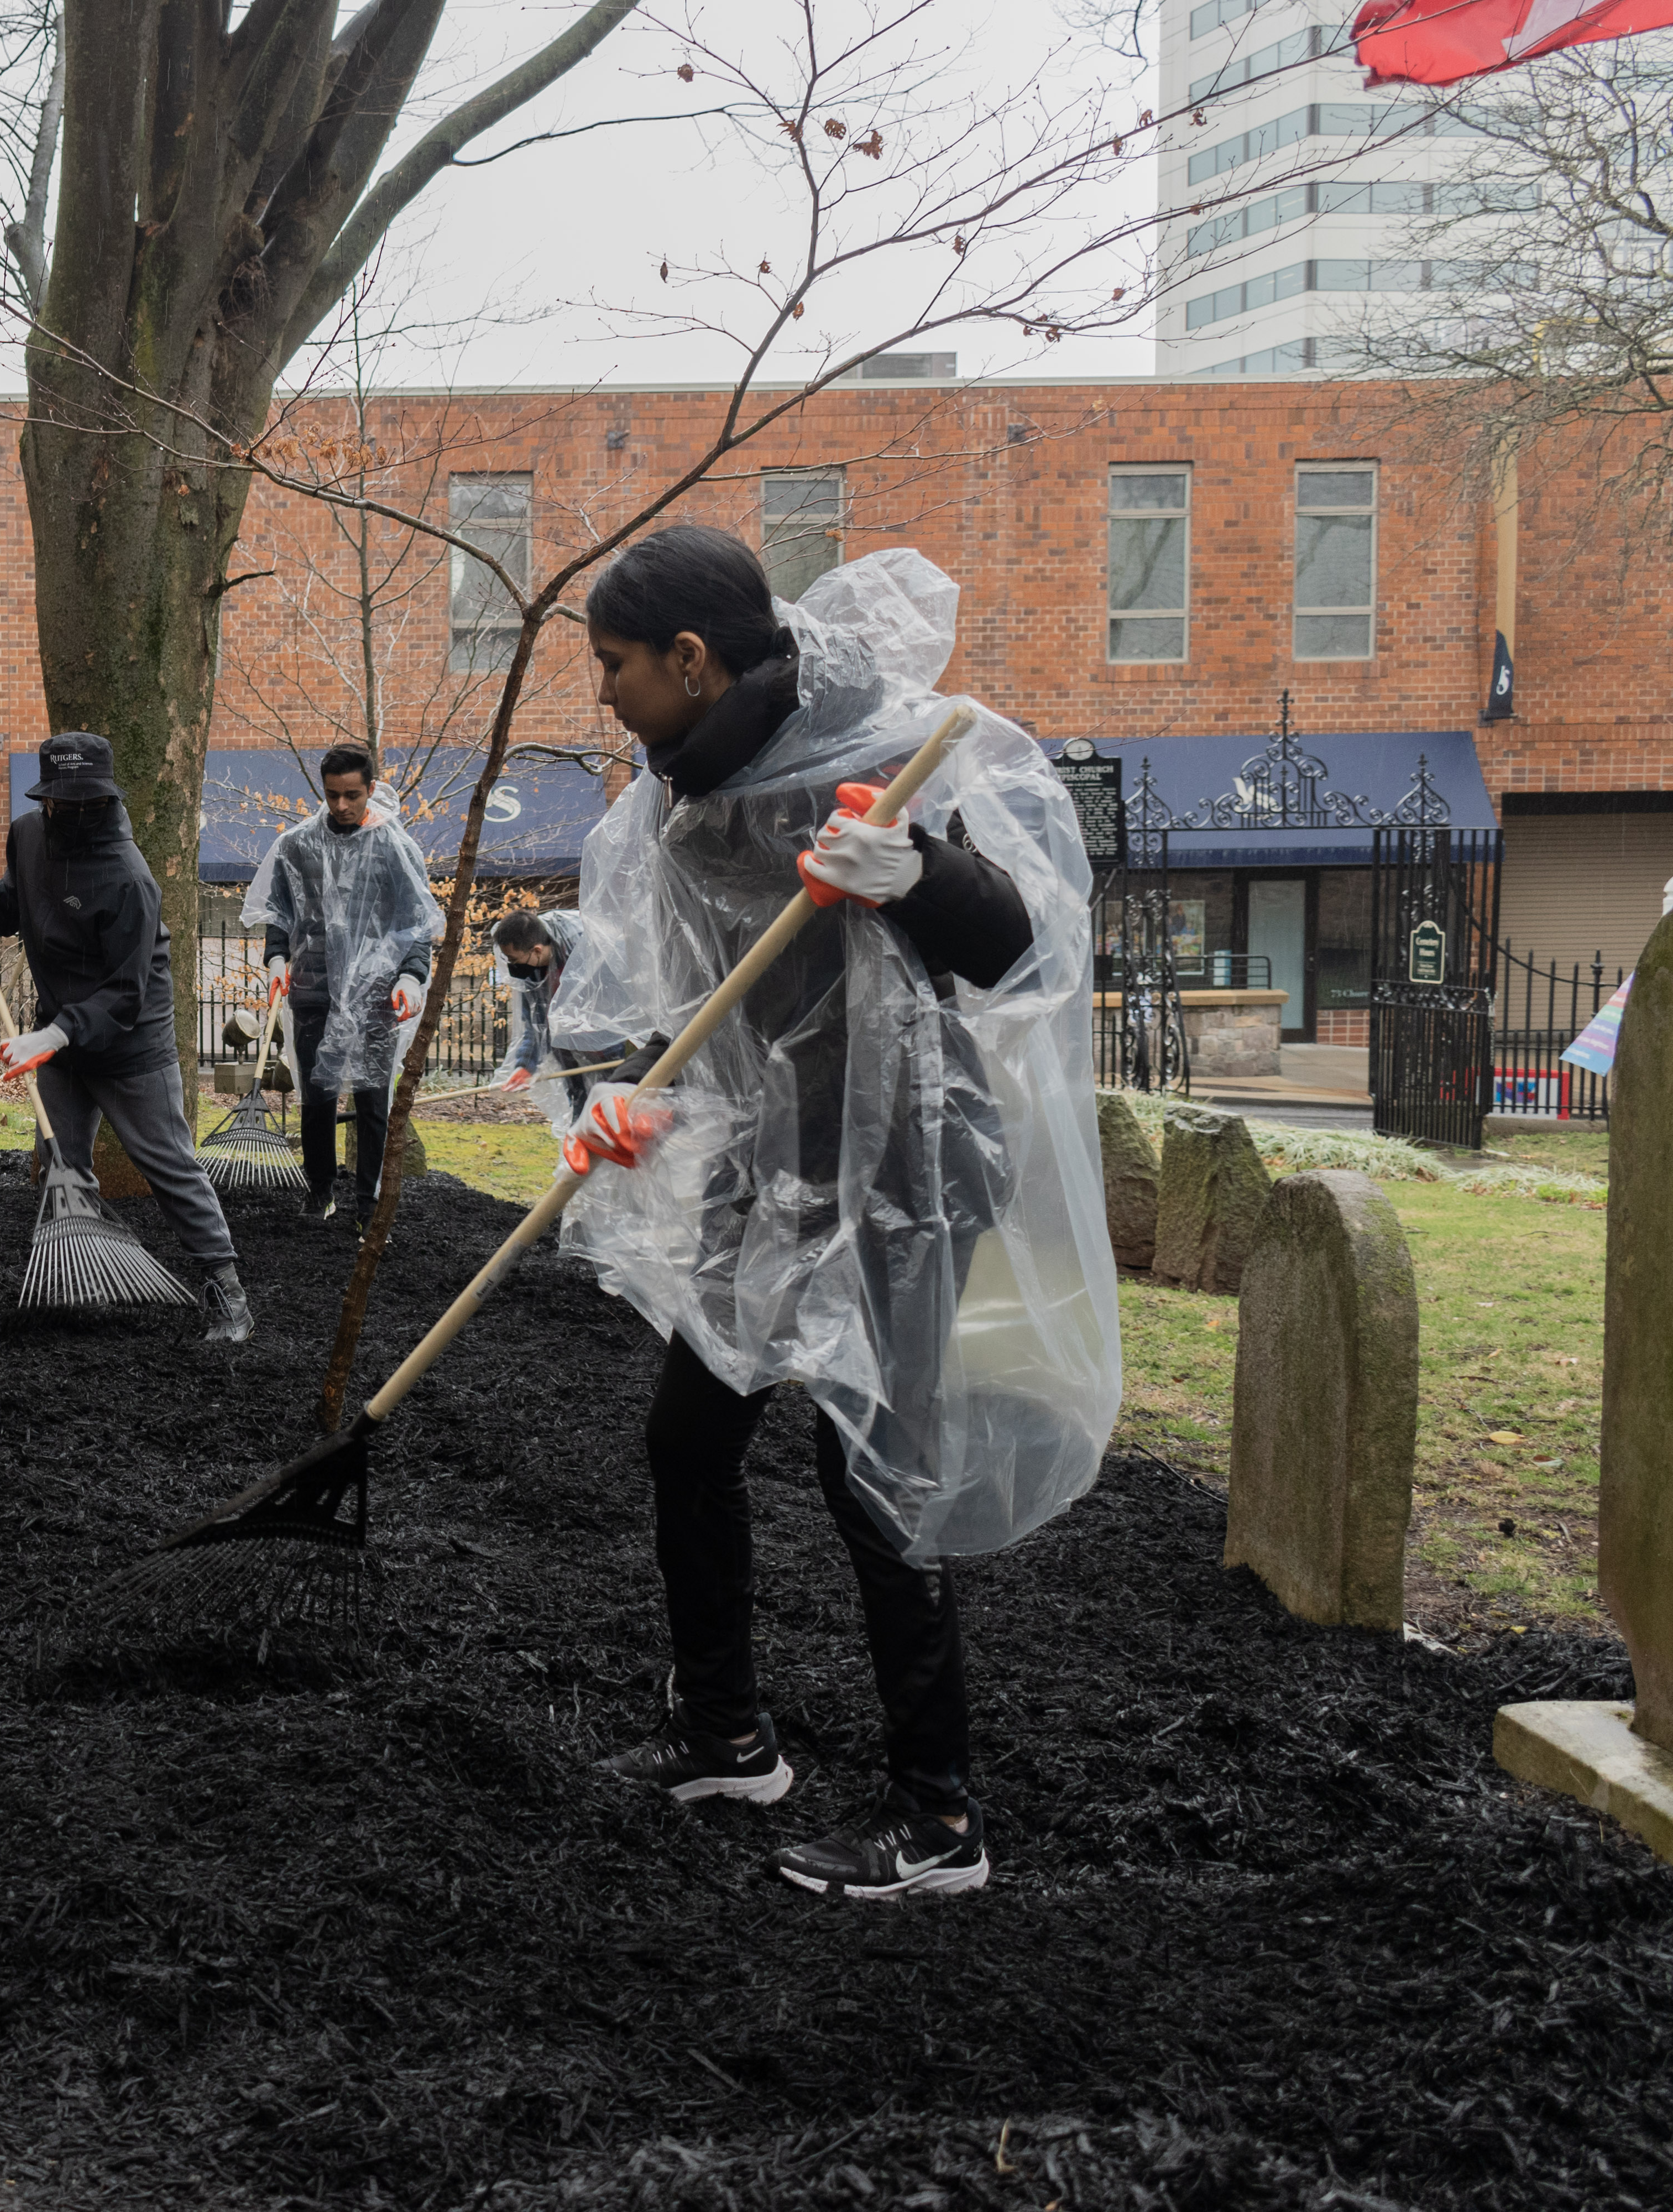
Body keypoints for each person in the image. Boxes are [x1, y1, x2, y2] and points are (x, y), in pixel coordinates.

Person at [555, 526, 1115, 1901]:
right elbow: (661, 979)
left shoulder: (889, 749)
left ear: (691, 659)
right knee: (687, 1435)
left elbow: (1018, 941)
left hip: (910, 1168)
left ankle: (938, 1823)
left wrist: (917, 872)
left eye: (613, 667)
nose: (604, 695)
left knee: (873, 1472)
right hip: (773, 1160)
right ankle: (727, 1736)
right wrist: (624, 1096)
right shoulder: (677, 787)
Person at [0, 732, 251, 1340]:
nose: (74, 813)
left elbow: (126, 993)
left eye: (87, 802)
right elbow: (18, 910)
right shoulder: (29, 834)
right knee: (61, 1160)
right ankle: (72, 1283)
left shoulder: (128, 877)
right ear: (48, 799)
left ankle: (226, 1289)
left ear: (105, 799)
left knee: (169, 1165)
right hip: (57, 1033)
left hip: (131, 1043)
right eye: (63, 801)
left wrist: (53, 1036)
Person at [245, 747, 440, 1220]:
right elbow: (280, 914)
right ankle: (320, 1191)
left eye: (352, 795)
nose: (341, 806)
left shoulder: (395, 847)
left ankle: (369, 1204)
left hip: (377, 996)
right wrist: (275, 959)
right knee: (318, 1099)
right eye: (332, 795)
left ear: (371, 789)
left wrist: (413, 977)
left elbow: (415, 925)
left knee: (374, 1099)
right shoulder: (297, 846)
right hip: (314, 990)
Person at [487, 905, 625, 1119]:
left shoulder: (588, 956)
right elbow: (536, 1024)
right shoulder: (532, 976)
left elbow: (616, 1009)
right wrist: (525, 1065)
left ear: (537, 950)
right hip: (570, 1057)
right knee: (581, 1114)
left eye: (514, 959)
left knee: (618, 1113)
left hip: (611, 1052)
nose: (513, 966)